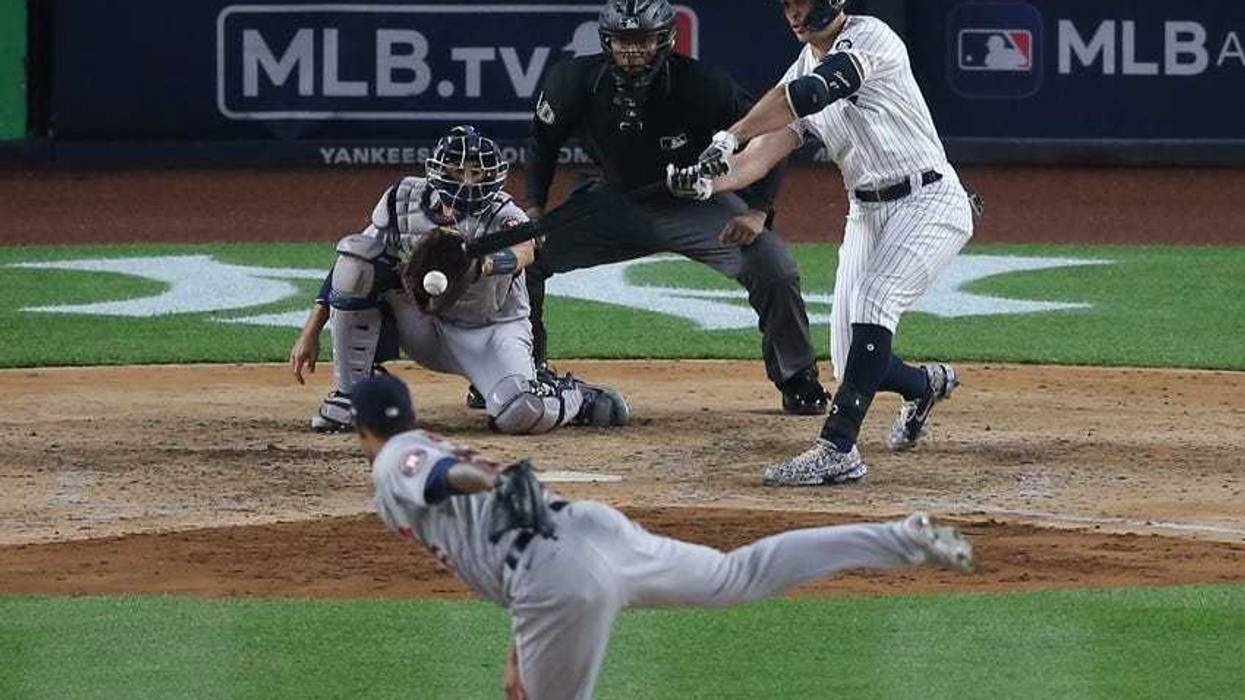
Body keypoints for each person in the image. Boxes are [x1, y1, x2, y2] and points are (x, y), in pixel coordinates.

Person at [355, 372, 974, 700]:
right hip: (588, 530)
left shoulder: (395, 458)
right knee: (739, 576)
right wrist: (522, 648)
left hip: (555, 580)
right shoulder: (427, 437)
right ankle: (903, 538)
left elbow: (439, 478)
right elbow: (498, 523)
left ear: (362, 429)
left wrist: (481, 482)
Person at [668, 0, 976, 486]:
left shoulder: (871, 38)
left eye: (802, 2)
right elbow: (761, 156)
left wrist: (730, 132)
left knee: (876, 300)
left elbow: (808, 94)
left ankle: (838, 448)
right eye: (787, 4)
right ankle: (925, 385)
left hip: (928, 199)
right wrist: (709, 181)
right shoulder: (802, 64)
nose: (793, 14)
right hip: (867, 212)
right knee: (851, 355)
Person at [524, 0, 829, 415]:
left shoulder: (702, 83)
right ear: (605, 41)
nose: (631, 52)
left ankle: (797, 378)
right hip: (615, 202)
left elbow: (771, 133)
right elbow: (542, 143)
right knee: (522, 258)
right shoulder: (573, 80)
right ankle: (520, 373)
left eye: (642, 41)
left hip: (695, 202)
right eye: (621, 42)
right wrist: (534, 209)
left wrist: (757, 209)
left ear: (665, 39)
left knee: (774, 266)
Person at [289, 125, 629, 435]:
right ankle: (352, 395)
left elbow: (525, 252)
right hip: (425, 324)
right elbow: (352, 262)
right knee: (358, 260)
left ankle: (569, 395)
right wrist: (311, 329)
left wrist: (482, 265)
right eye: (457, 170)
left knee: (522, 413)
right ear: (438, 171)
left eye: (477, 172)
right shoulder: (402, 198)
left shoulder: (505, 213)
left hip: (492, 331)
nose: (468, 181)